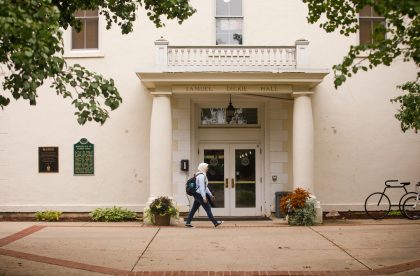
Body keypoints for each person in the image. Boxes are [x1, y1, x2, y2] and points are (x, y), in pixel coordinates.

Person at [185, 163, 223, 228]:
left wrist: (210, 195)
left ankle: (188, 222)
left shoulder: (199, 175)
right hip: (199, 195)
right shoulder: (201, 176)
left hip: (197, 194)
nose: (207, 168)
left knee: (194, 209)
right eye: (206, 167)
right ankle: (215, 223)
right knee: (208, 209)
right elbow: (202, 188)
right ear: (203, 168)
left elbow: (205, 187)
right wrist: (204, 197)